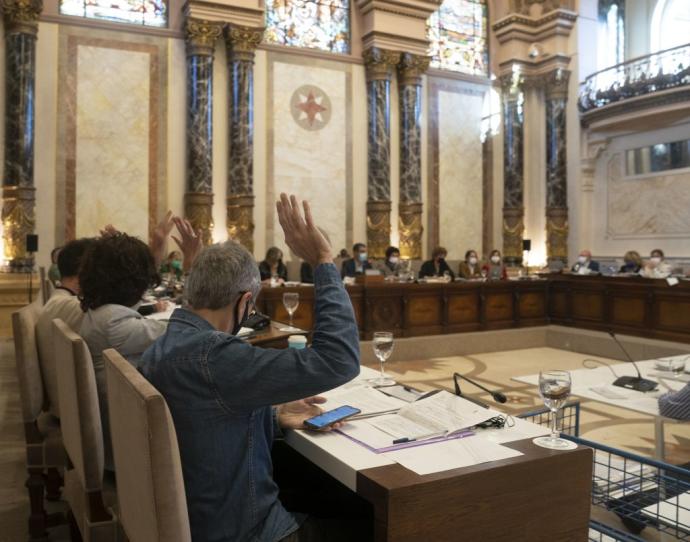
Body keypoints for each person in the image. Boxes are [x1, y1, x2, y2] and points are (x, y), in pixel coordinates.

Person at [139, 194, 363, 542]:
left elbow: (202, 419)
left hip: (202, 519)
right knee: (371, 518)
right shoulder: (214, 357)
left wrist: (272, 416)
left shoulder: (163, 347)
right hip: (249, 531)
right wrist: (323, 261)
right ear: (245, 302)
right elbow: (339, 360)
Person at [79, 216, 200, 468]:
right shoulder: (115, 324)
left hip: (116, 431)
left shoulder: (98, 312)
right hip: (131, 450)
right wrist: (191, 265)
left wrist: (146, 254)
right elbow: (189, 325)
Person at [36, 238, 95, 418]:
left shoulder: (59, 301)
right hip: (77, 415)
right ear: (86, 270)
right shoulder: (75, 308)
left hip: (65, 407)